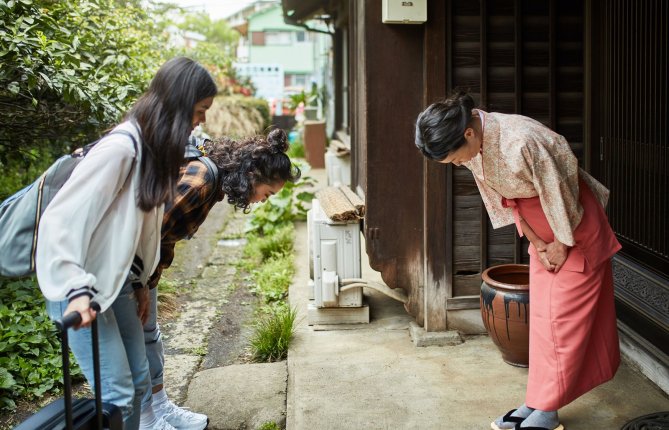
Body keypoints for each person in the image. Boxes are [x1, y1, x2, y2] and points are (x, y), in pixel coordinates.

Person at [414, 91, 621, 430]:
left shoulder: (520, 140)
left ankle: (547, 410)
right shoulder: (475, 145)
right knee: (542, 321)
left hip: (573, 228)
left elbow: (560, 193)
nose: (457, 164)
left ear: (467, 132)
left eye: (454, 159)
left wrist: (561, 243)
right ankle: (537, 402)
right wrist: (539, 243)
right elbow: (506, 201)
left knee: (562, 324)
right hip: (543, 235)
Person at [36, 57, 218, 430]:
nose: (201, 121)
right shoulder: (121, 149)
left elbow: (138, 232)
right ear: (179, 104)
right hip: (79, 286)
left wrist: (140, 285)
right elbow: (60, 222)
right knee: (118, 392)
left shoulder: (153, 151)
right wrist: (75, 291)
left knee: (138, 383)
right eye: (199, 111)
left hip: (116, 281)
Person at [139, 129, 301, 429]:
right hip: (128, 271)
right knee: (137, 344)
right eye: (267, 194)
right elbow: (145, 232)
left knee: (150, 337)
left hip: (144, 272)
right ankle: (147, 421)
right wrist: (139, 287)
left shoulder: (215, 182)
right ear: (252, 175)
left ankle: (161, 408)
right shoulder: (202, 179)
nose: (263, 201)